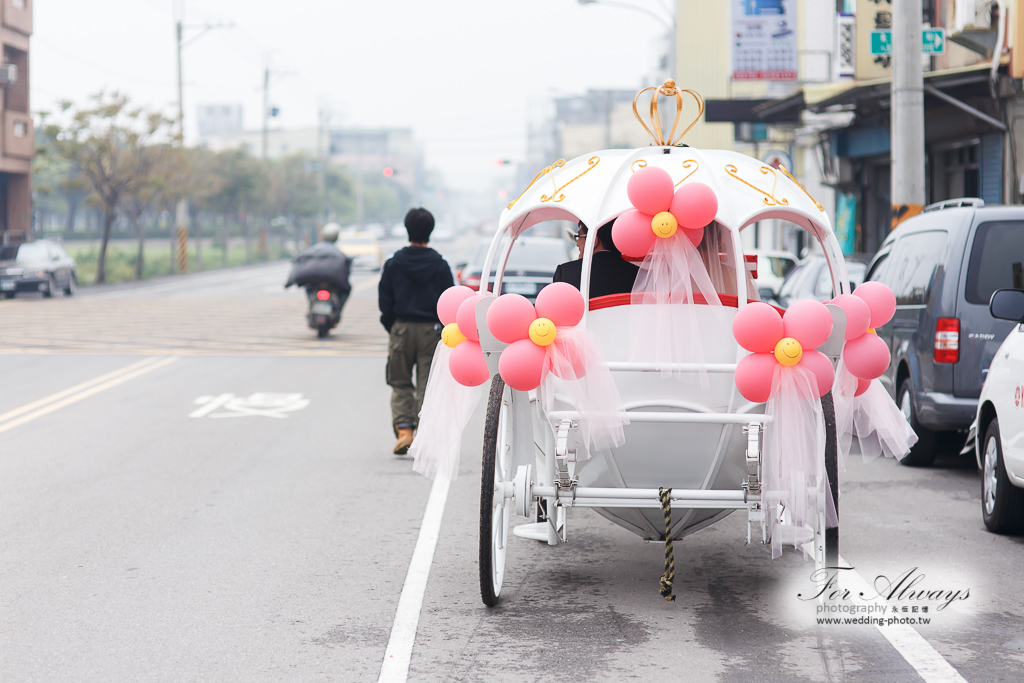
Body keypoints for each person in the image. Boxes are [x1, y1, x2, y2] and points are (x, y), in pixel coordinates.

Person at [378, 208, 454, 455]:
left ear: (406, 229)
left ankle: (404, 431)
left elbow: (385, 301)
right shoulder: (440, 265)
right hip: (431, 332)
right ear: (430, 232)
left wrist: (394, 326)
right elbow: (449, 301)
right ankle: (425, 436)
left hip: (401, 328)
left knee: (400, 382)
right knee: (427, 384)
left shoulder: (393, 263)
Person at [552, 219, 639, 297]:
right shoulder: (639, 275)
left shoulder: (565, 273)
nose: (577, 242)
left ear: (594, 241)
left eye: (579, 236)